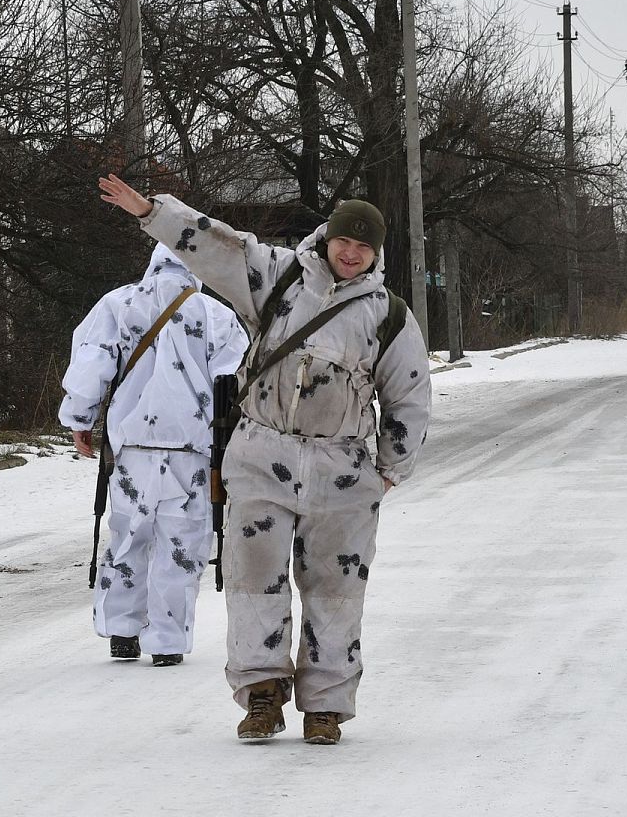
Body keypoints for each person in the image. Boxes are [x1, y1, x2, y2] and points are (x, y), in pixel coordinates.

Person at [98, 173, 432, 745]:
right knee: (254, 582)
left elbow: (410, 394)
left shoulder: (388, 315)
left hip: (342, 471)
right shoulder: (278, 276)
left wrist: (389, 466)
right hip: (261, 456)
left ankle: (325, 704)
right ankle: (260, 696)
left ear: (376, 254)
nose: (350, 254)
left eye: (363, 247)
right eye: (343, 241)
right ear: (327, 238)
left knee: (334, 590)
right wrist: (153, 213)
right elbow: (219, 245)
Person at [60, 243, 249, 667]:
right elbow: (234, 384)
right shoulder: (215, 315)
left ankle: (122, 632)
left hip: (132, 447)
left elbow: (93, 362)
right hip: (192, 450)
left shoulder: (118, 304)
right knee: (181, 543)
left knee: (128, 537)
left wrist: (79, 418)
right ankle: (166, 642)